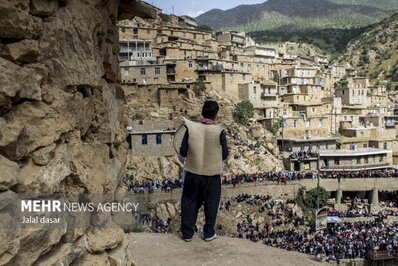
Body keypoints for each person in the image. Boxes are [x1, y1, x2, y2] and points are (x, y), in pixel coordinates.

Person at [179, 100, 229, 242]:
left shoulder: (191, 128)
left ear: (202, 112)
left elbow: (183, 151)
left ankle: (187, 233)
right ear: (215, 114)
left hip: (193, 173)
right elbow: (225, 155)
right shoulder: (219, 130)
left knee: (189, 201)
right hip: (212, 175)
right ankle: (208, 233)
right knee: (212, 202)